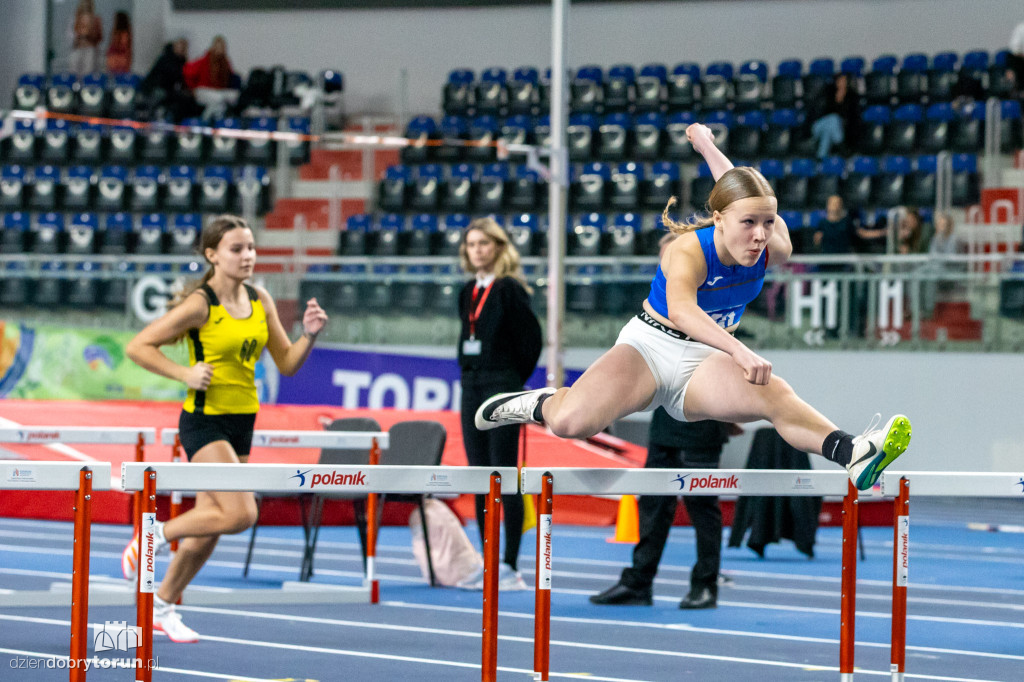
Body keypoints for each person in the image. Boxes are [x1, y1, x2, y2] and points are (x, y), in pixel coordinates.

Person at [475, 123, 912, 494]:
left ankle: (851, 451)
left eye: (768, 222)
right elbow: (683, 311)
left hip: (703, 362)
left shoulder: (771, 247)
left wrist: (707, 147)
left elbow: (736, 190)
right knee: (571, 422)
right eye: (749, 224)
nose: (760, 235)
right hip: (649, 348)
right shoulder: (688, 250)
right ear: (719, 219)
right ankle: (540, 402)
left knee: (773, 394)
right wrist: (739, 351)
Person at [121, 214, 327, 642]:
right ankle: (154, 533)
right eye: (237, 249)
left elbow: (286, 364)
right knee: (240, 512)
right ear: (212, 255)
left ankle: (163, 605)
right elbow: (138, 346)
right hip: (204, 420)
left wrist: (307, 336)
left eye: (251, 247)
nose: (247, 255)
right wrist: (184, 374)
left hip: (242, 421)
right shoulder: (201, 304)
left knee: (214, 524)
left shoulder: (261, 299)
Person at [455, 217, 542, 591]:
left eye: (484, 244)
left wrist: (511, 380)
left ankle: (509, 564)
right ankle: (488, 560)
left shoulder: (509, 290)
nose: (477, 250)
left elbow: (531, 341)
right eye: (472, 244)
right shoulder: (466, 291)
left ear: (498, 247)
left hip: (501, 387)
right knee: (479, 476)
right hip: (471, 385)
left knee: (504, 474)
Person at [141, 38, 199, 122]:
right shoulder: (166, 59)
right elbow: (173, 76)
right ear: (175, 47)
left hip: (167, 90)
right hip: (155, 88)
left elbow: (182, 79)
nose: (182, 50)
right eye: (180, 47)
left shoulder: (180, 61)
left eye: (183, 48)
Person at [184, 35, 239, 120]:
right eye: (218, 46)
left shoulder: (225, 62)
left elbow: (231, 77)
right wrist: (192, 89)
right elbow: (187, 72)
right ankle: (204, 121)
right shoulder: (205, 60)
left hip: (218, 90)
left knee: (234, 96)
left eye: (222, 47)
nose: (220, 49)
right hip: (203, 90)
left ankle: (219, 123)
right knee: (218, 100)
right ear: (213, 47)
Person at [809, 73, 859, 159]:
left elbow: (850, 116)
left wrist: (842, 99)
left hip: (834, 128)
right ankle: (841, 145)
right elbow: (823, 112)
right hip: (820, 125)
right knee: (833, 119)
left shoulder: (851, 96)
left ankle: (821, 158)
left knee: (827, 133)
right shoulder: (829, 94)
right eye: (840, 81)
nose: (842, 83)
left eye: (844, 81)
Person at [69, 0, 103, 75]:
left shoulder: (96, 19)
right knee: (74, 73)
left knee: (88, 73)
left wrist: (89, 36)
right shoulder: (75, 19)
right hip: (78, 49)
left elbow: (99, 37)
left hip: (90, 50)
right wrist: (79, 37)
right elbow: (71, 34)